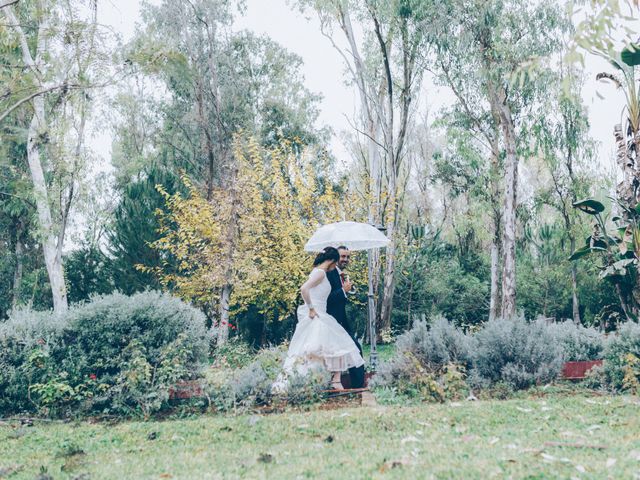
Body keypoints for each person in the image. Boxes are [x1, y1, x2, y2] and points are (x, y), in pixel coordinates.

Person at [273, 247, 364, 392]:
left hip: (323, 315)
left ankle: (335, 381)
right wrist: (310, 308)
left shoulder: (318, 272)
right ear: (332, 261)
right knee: (316, 350)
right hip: (317, 315)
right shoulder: (321, 273)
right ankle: (322, 382)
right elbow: (304, 289)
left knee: (332, 347)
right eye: (337, 261)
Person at [326, 246, 366, 389]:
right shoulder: (329, 274)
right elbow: (326, 299)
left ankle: (357, 385)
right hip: (332, 322)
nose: (346, 260)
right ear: (336, 258)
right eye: (343, 256)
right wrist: (344, 291)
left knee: (354, 350)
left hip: (341, 321)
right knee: (354, 350)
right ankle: (358, 387)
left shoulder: (338, 273)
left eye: (348, 257)